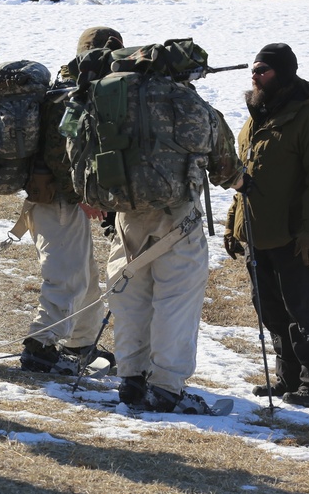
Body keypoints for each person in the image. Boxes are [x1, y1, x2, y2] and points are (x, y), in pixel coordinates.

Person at [103, 52, 245, 413]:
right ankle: (166, 388)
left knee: (131, 297)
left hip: (125, 214)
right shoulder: (194, 107)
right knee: (176, 302)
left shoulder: (112, 103)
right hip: (177, 217)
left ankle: (132, 381)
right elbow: (225, 168)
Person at [224, 43, 309, 409]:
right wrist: (232, 224)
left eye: (263, 70)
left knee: (304, 311)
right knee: (270, 310)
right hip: (258, 232)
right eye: (254, 70)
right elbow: (243, 177)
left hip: (293, 235)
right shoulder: (255, 117)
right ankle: (288, 378)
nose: (255, 76)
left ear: (284, 73)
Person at [18, 27, 121, 374]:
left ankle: (79, 345)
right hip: (58, 200)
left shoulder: (76, 88)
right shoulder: (71, 94)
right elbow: (60, 152)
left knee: (86, 279)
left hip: (63, 200)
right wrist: (83, 194)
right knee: (66, 277)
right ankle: (41, 347)